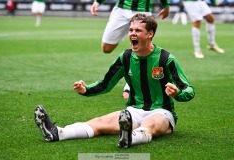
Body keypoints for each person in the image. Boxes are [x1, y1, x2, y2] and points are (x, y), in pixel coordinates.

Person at [34, 13, 195, 149]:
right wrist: (86, 90)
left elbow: (189, 90)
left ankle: (130, 138)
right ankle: (57, 133)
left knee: (150, 124)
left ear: (150, 33)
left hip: (162, 112)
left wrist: (177, 93)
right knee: (99, 123)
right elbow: (106, 84)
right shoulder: (125, 58)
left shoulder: (166, 59)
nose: (132, 33)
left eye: (138, 30)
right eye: (131, 30)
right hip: (133, 111)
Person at [90, 0, 170, 99]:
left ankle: (130, 85)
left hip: (143, 11)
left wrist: (166, 5)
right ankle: (127, 33)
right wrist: (97, 2)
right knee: (106, 48)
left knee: (139, 45)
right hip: (121, 10)